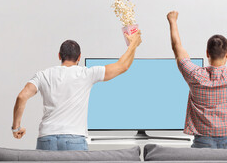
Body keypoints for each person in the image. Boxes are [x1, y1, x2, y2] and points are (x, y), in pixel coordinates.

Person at [11, 31, 142, 150]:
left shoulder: (43, 75)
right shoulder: (87, 74)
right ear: (79, 57)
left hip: (47, 137)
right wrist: (133, 44)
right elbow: (123, 66)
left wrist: (16, 127)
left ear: (59, 56)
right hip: (75, 140)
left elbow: (22, 97)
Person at [167, 7, 227, 149]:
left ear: (207, 53)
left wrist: (172, 21)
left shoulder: (195, 76)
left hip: (203, 142)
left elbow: (177, 47)